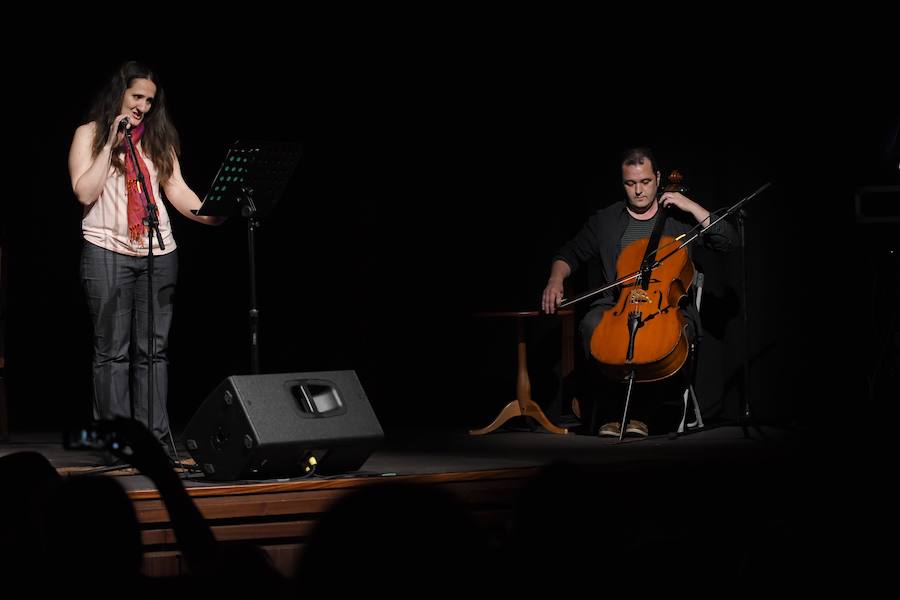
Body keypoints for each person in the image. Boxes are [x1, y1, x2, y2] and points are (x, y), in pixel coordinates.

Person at [68, 61, 223, 457]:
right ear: (119, 93)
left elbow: (177, 191)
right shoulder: (89, 134)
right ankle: (117, 442)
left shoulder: (157, 140)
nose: (142, 107)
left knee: (153, 352)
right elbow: (85, 192)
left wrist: (213, 212)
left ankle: (153, 440)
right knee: (112, 352)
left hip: (158, 252)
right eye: (136, 96)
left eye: (149, 101)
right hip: (106, 250)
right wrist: (110, 144)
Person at [541, 147, 738, 437]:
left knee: (664, 336)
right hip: (616, 304)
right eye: (630, 184)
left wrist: (691, 206)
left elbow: (728, 241)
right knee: (591, 325)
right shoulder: (606, 220)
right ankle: (611, 412)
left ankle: (642, 414)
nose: (639, 191)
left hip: (666, 307)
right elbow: (569, 253)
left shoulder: (679, 219)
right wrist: (555, 279)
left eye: (645, 182)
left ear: (658, 179)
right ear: (623, 183)